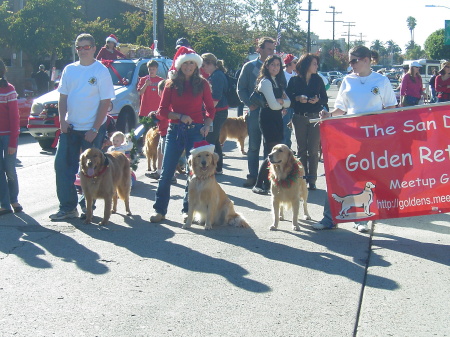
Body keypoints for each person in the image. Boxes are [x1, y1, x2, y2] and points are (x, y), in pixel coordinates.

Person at [314, 45, 397, 232]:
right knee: (336, 174)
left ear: (366, 60)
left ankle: (361, 220)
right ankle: (330, 218)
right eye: (349, 61)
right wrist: (329, 115)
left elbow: (391, 108)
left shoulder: (381, 80)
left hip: (371, 138)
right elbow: (341, 108)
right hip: (347, 136)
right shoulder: (347, 80)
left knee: (364, 178)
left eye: (354, 61)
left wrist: (382, 129)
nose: (350, 65)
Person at [49, 33, 115, 220]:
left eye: (87, 47)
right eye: (79, 47)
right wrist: (62, 120)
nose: (83, 50)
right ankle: (68, 207)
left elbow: (105, 101)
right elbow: (62, 97)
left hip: (93, 129)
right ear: (76, 49)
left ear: (94, 48)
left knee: (93, 170)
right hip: (70, 128)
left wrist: (94, 129)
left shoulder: (100, 70)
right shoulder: (69, 70)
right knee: (62, 166)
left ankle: (87, 206)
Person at [149, 47, 215, 223]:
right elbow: (162, 111)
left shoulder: (203, 84)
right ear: (180, 65)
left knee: (192, 173)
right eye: (186, 63)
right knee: (166, 172)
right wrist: (179, 116)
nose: (189, 66)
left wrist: (207, 125)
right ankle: (160, 210)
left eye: (192, 63)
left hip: (196, 130)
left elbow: (210, 109)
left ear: (196, 65)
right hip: (174, 130)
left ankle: (188, 210)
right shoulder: (171, 85)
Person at [237, 37, 277, 188]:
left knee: (271, 147)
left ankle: (267, 178)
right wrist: (249, 103)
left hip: (272, 113)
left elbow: (282, 87)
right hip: (255, 112)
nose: (271, 52)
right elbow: (241, 88)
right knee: (254, 145)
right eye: (268, 49)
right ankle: (252, 176)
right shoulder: (250, 67)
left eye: (273, 49)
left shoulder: (276, 66)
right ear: (259, 49)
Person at [286, 53, 327, 191]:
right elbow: (288, 99)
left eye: (317, 64)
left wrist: (318, 100)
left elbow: (324, 99)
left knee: (313, 149)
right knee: (301, 149)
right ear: (306, 65)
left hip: (315, 116)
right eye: (314, 63)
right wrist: (298, 98)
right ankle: (302, 177)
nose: (316, 66)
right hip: (299, 117)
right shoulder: (294, 80)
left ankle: (312, 179)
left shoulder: (318, 79)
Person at [251, 55, 291, 194]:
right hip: (268, 119)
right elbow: (274, 106)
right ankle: (258, 184)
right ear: (267, 66)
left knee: (275, 152)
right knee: (272, 153)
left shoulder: (277, 81)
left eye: (278, 65)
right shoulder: (266, 82)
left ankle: (268, 183)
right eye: (272, 65)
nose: (275, 67)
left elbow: (288, 102)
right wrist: (280, 101)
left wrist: (280, 101)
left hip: (277, 119)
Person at [0, 59, 22, 216]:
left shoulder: (9, 90)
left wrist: (13, 142)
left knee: (9, 169)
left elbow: (15, 118)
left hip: (8, 137)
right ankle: (5, 204)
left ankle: (14, 199)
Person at [202, 53, 229, 175]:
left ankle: (211, 167)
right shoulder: (214, 75)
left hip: (218, 112)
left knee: (210, 140)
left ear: (210, 64)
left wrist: (206, 111)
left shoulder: (217, 76)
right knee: (215, 139)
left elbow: (216, 98)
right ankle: (218, 167)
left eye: (204, 65)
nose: (203, 68)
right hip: (218, 112)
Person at [282, 54, 298, 149]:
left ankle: (289, 147)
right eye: (295, 62)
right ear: (288, 63)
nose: (296, 64)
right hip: (285, 105)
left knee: (293, 127)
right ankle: (285, 147)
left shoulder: (295, 74)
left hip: (294, 104)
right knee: (285, 127)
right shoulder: (282, 74)